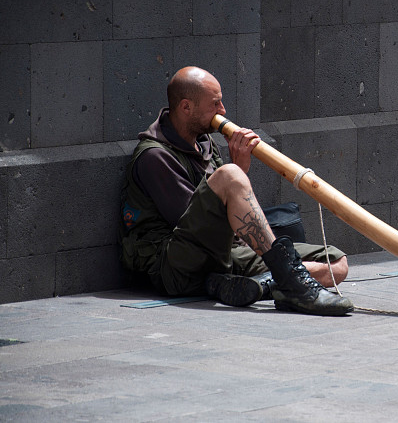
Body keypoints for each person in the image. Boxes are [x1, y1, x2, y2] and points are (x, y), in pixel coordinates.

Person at [120, 66, 353, 316]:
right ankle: (291, 283)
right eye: (215, 104)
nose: (222, 111)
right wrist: (237, 169)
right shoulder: (154, 156)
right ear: (186, 107)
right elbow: (194, 224)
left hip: (224, 253)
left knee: (336, 264)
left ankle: (253, 285)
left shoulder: (203, 143)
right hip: (177, 266)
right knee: (229, 174)